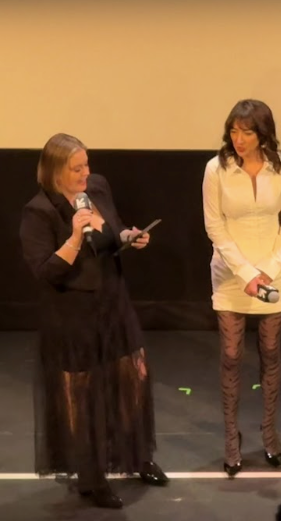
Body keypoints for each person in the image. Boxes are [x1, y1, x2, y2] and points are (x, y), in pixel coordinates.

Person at [19, 134, 168, 510]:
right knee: (82, 399)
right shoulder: (39, 211)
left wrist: (128, 237)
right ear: (55, 171)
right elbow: (45, 272)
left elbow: (112, 233)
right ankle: (90, 477)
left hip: (113, 304)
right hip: (73, 316)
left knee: (132, 381)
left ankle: (137, 456)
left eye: (87, 164)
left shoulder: (97, 188)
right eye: (77, 168)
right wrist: (73, 236)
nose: (87, 173)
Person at [202, 99, 281, 475]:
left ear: (263, 134)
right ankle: (231, 438)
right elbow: (215, 226)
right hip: (231, 277)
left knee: (271, 352)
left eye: (247, 132)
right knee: (231, 355)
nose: (238, 139)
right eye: (234, 131)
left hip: (275, 273)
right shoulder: (217, 169)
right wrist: (245, 273)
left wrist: (270, 268)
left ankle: (270, 433)